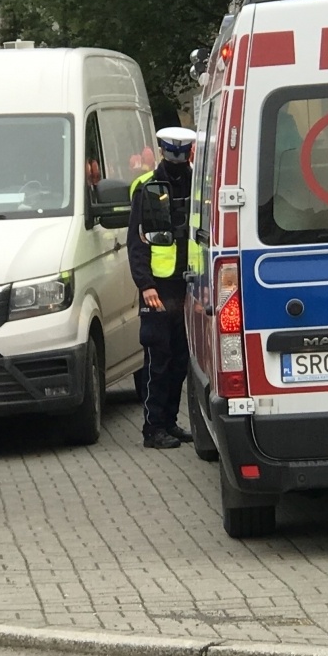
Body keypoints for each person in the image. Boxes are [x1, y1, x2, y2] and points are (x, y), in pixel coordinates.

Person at [128, 126, 197, 449]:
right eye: (173, 153)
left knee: (181, 358)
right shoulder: (147, 188)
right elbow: (136, 243)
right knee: (159, 358)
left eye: (181, 153)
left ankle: (169, 422)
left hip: (190, 285)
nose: (178, 159)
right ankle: (153, 428)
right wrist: (145, 285)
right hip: (159, 287)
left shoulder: (200, 184)